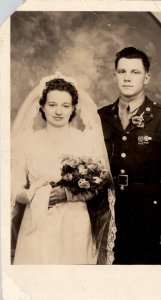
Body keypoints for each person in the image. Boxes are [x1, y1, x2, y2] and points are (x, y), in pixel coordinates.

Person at [11, 73, 116, 264]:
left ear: (74, 108)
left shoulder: (85, 140)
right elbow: (13, 187)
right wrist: (33, 195)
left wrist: (68, 194)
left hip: (75, 223)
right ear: (42, 106)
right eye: (52, 105)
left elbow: (101, 184)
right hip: (36, 221)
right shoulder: (27, 142)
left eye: (65, 105)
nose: (58, 111)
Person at [98, 47, 161, 264]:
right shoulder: (101, 117)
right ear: (115, 75)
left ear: (146, 77)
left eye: (135, 72)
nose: (127, 78)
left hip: (148, 217)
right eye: (122, 71)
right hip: (107, 214)